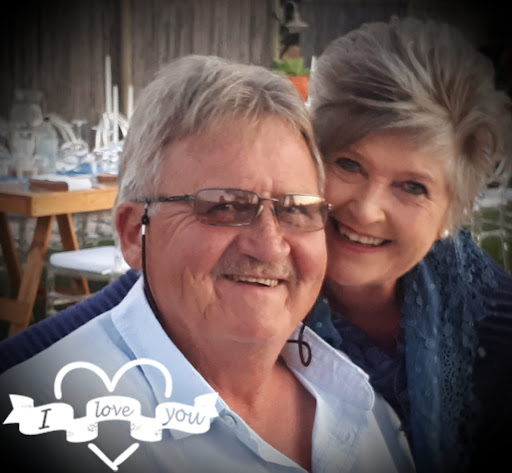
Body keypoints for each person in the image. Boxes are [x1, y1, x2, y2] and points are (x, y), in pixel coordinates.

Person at [0, 55, 415, 473]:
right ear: (132, 233)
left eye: (295, 209)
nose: (269, 247)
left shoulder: (361, 407)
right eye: (224, 206)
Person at [305, 16, 512, 473]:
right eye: (349, 164)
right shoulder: (246, 277)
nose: (367, 210)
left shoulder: (499, 333)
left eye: (413, 187)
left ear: (450, 216)